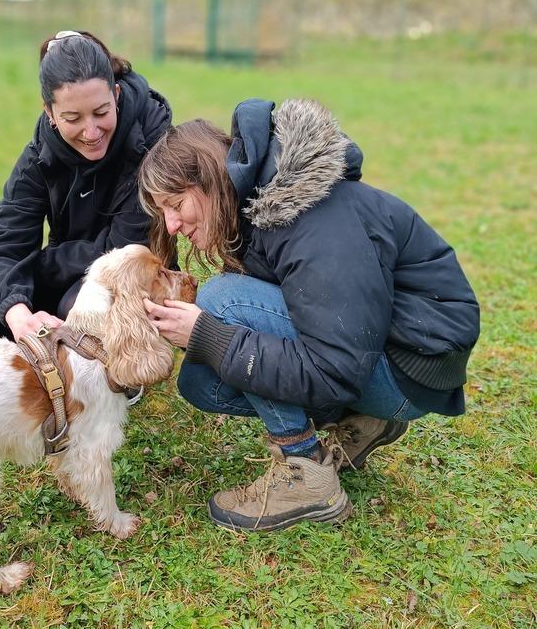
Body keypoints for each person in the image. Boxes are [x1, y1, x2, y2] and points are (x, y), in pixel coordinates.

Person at [139, 98, 480, 533]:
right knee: (201, 383)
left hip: (410, 365)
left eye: (176, 204)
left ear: (207, 179)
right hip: (377, 350)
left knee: (222, 301)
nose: (171, 226)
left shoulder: (311, 219)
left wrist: (210, 335)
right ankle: (364, 420)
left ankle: (305, 471)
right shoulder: (261, 209)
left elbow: (334, 370)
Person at [0, 30, 172, 346]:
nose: (91, 131)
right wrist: (18, 313)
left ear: (116, 95)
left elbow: (123, 247)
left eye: (101, 112)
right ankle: (34, 359)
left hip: (131, 272)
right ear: (49, 113)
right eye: (73, 118)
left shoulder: (153, 143)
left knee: (78, 308)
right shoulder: (38, 156)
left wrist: (34, 264)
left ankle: (126, 367)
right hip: (66, 271)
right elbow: (8, 241)